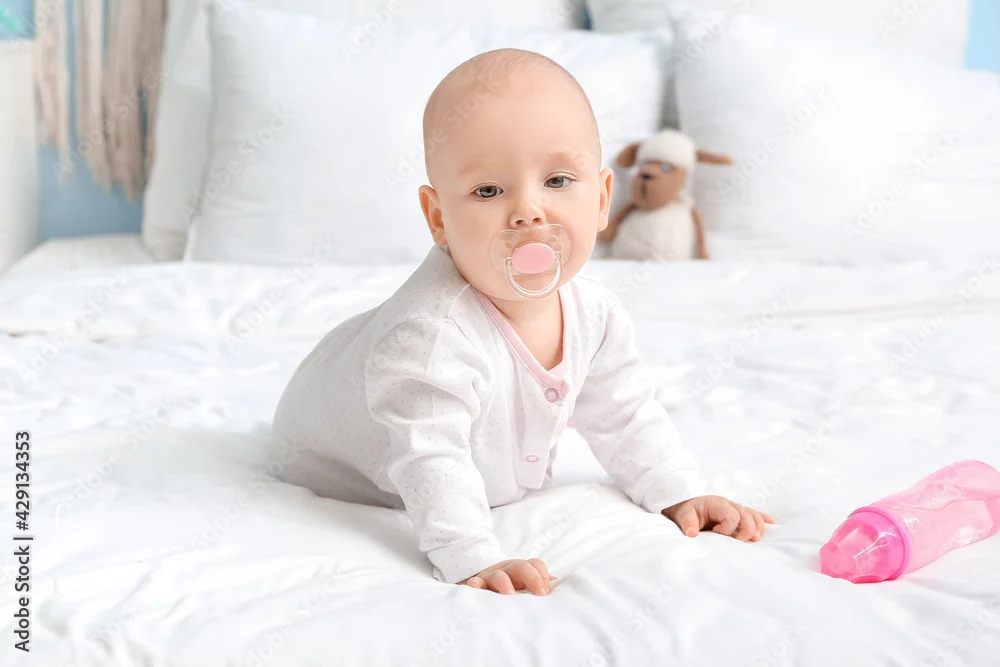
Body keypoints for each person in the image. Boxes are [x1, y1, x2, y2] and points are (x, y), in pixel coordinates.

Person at [272, 48, 773, 596]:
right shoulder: (429, 337)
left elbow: (624, 412)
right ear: (439, 218)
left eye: (557, 180)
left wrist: (677, 491)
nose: (528, 212)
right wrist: (472, 556)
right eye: (488, 191)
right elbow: (429, 457)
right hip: (341, 467)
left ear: (602, 200)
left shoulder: (595, 313)